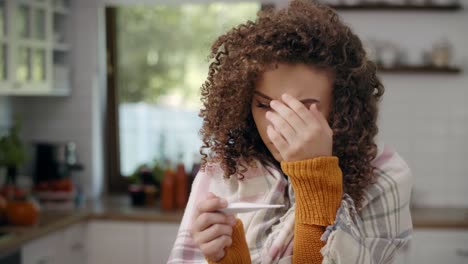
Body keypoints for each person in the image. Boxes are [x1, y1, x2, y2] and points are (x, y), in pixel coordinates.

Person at [168, 0, 412, 263]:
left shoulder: (383, 179)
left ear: (340, 109)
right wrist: (227, 259)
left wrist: (316, 180)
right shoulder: (224, 172)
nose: (276, 127)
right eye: (263, 104)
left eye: (301, 109)